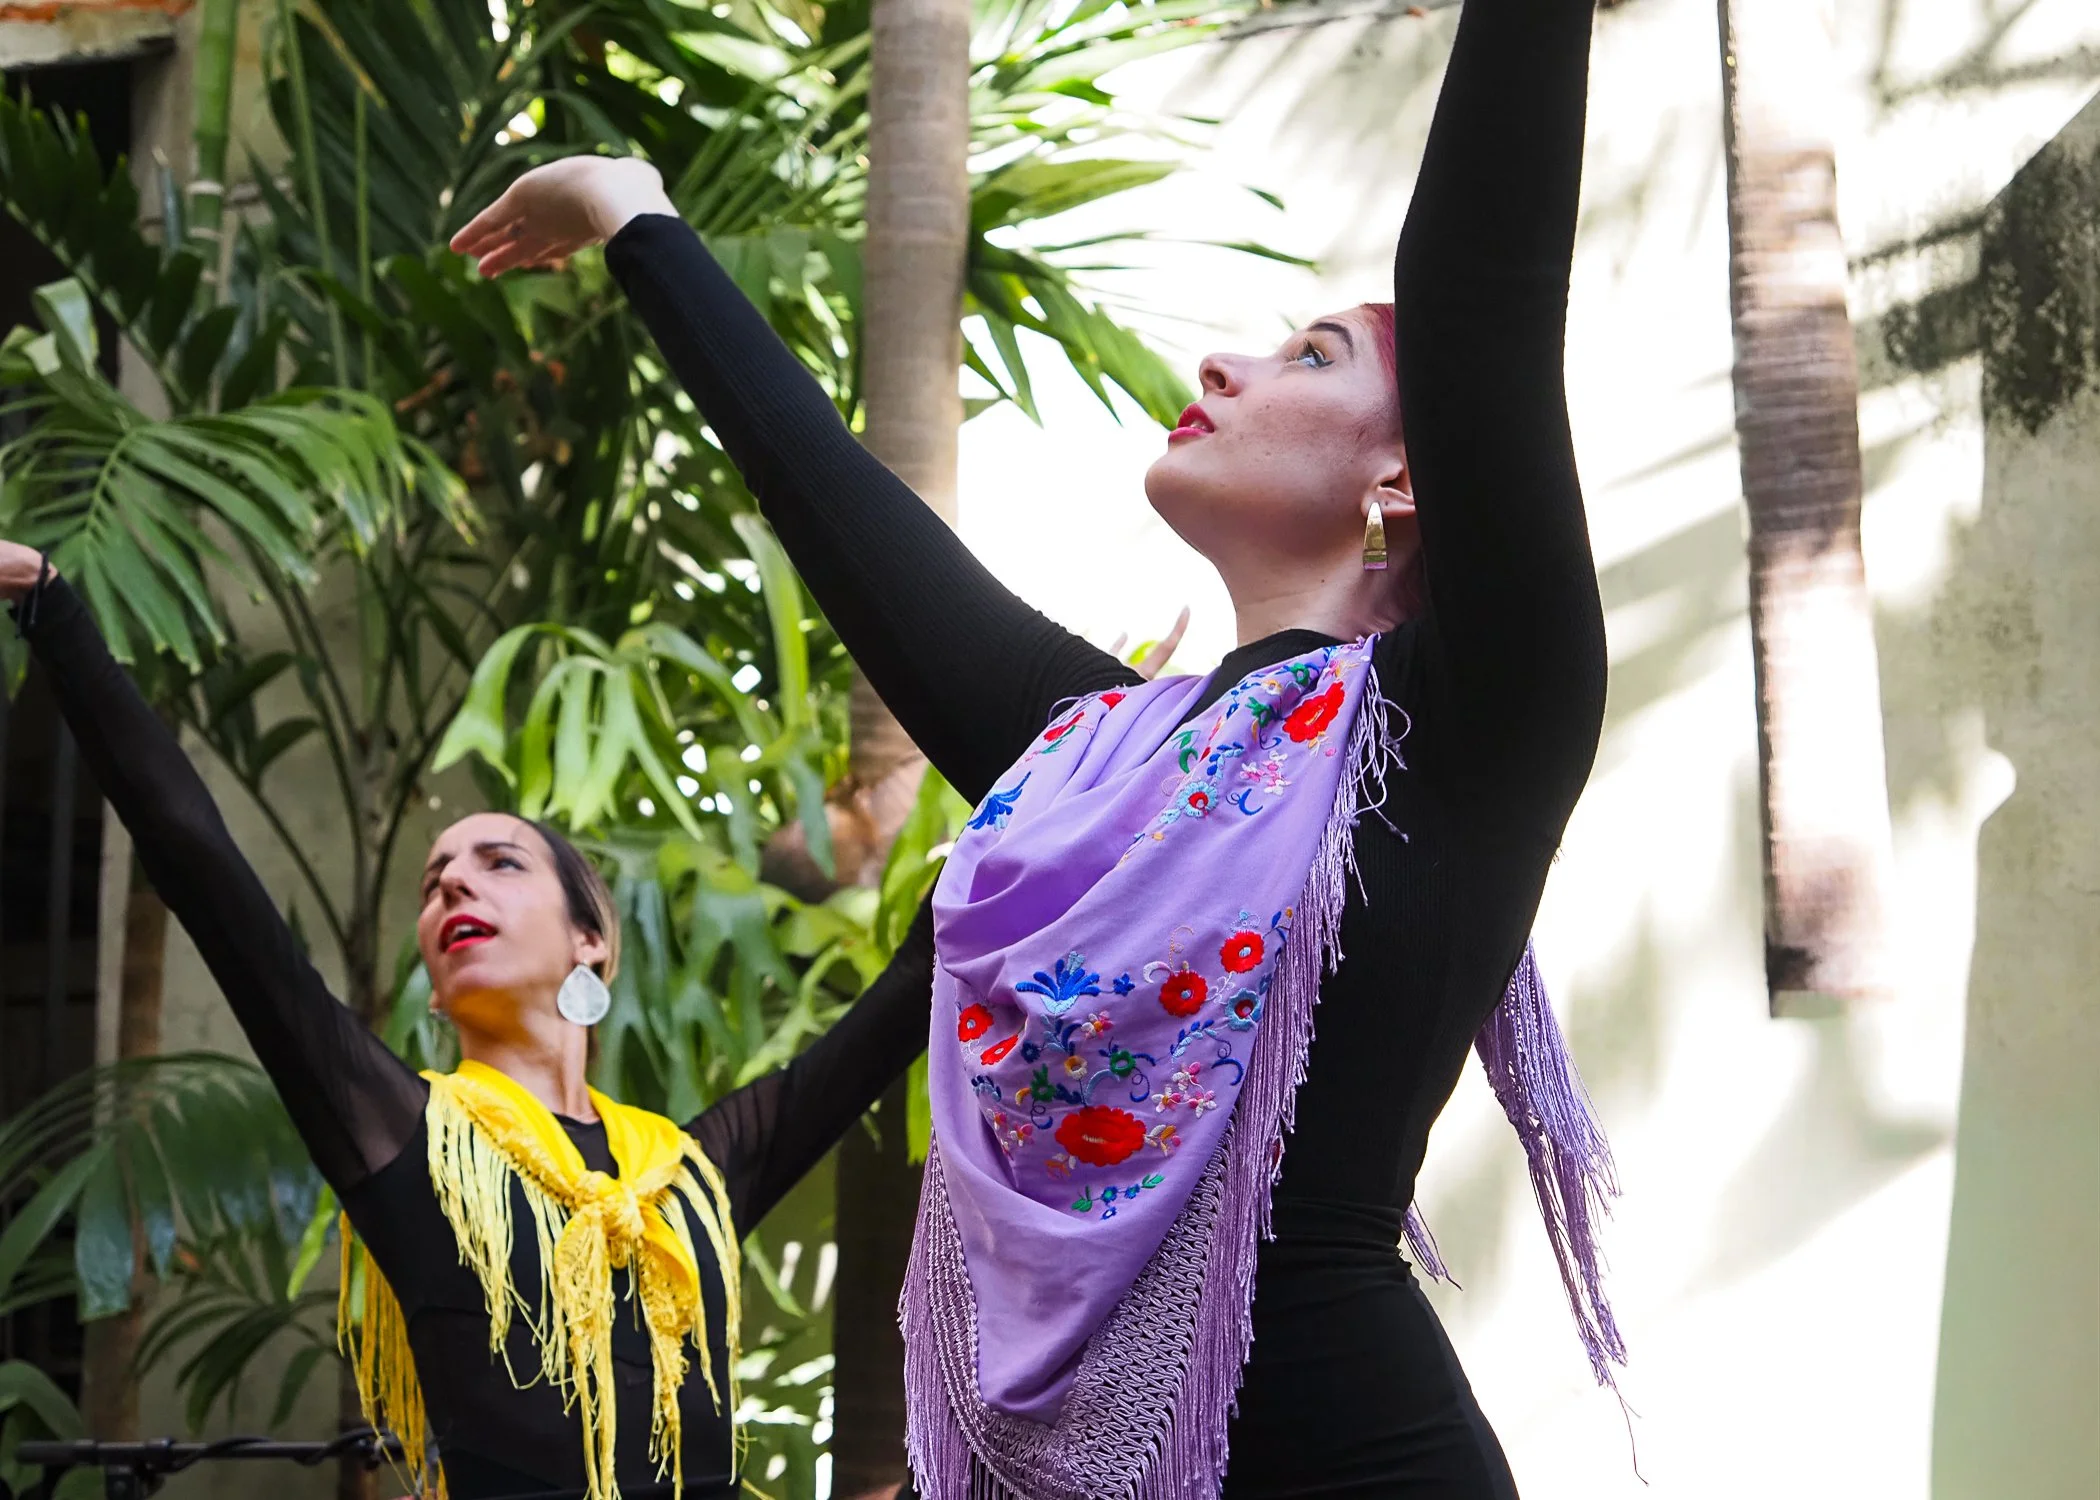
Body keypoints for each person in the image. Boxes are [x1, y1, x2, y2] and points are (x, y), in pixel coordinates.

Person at [450, 0, 1615, 1491]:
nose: (1218, 367)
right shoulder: (1092, 755)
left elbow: (1480, 286)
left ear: (1409, 474)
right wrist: (639, 219)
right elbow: (848, 521)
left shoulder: (1473, 719)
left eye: (1307, 357)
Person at [0, 543, 945, 1500]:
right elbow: (197, 860)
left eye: (500, 862)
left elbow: (917, 979)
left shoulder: (690, 1173)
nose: (452, 878)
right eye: (435, 878)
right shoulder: (405, 1135)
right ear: (436, 975)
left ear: (591, 941)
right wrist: (51, 603)